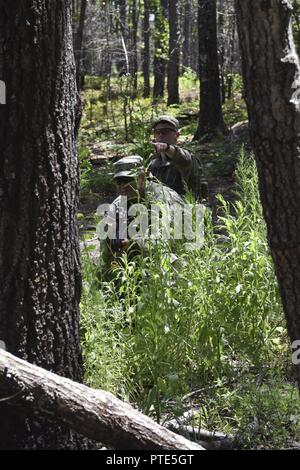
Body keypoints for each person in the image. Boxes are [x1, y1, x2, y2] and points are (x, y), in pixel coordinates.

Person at [98, 155, 184, 279]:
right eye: (118, 182)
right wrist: (114, 244)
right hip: (138, 255)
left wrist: (132, 244)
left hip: (173, 251)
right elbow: (105, 246)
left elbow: (166, 239)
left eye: (127, 180)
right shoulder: (118, 204)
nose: (122, 186)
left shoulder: (163, 199)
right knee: (105, 271)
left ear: (143, 177)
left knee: (167, 260)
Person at [148, 115, 208, 201]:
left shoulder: (188, 157)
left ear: (176, 135)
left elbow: (183, 158)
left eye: (165, 131)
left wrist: (167, 148)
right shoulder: (153, 164)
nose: (161, 135)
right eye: (157, 132)